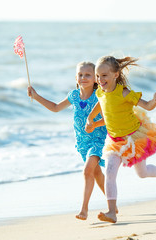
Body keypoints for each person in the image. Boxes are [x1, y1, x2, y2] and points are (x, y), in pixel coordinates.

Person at [85, 56, 156, 223]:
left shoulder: (124, 93)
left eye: (104, 75)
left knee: (142, 173)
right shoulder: (100, 91)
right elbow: (101, 103)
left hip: (134, 138)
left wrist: (155, 100)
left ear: (116, 75)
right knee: (110, 173)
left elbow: (147, 106)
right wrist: (91, 119)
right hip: (114, 141)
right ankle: (112, 212)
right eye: (98, 76)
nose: (100, 79)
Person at [27, 62, 108, 220]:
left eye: (88, 75)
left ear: (96, 79)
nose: (83, 77)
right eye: (80, 75)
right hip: (83, 143)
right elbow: (56, 107)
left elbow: (108, 118)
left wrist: (94, 124)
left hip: (98, 139)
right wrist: (36, 97)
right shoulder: (74, 95)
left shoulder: (100, 96)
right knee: (97, 173)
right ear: (76, 78)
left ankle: (84, 210)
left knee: (87, 171)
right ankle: (113, 203)